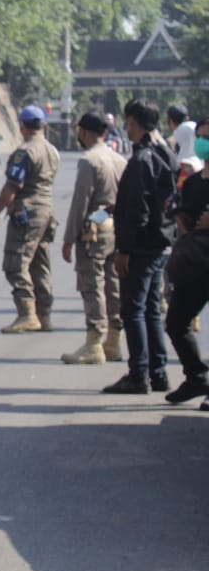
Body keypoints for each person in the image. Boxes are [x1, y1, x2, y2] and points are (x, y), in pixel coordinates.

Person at [102, 98, 177, 394]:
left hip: (141, 246)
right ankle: (158, 373)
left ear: (132, 121)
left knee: (133, 311)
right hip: (161, 243)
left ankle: (138, 374)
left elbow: (137, 210)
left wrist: (124, 250)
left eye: (127, 121)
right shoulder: (164, 154)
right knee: (151, 311)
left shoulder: (142, 159)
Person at [59, 112, 128, 364]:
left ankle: (94, 342)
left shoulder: (89, 160)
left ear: (84, 132)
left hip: (94, 229)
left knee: (91, 284)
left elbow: (81, 203)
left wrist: (68, 238)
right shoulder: (119, 159)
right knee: (113, 285)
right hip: (114, 227)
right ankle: (113, 340)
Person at [0, 105, 60, 333]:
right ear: (43, 126)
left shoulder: (24, 152)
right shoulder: (52, 150)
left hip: (28, 212)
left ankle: (27, 313)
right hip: (47, 211)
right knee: (39, 262)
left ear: (22, 127)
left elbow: (11, 187)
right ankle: (44, 314)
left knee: (15, 263)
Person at [164, 117, 209, 407]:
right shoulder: (192, 182)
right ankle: (197, 377)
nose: (204, 143)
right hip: (197, 264)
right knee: (176, 321)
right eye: (202, 137)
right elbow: (185, 220)